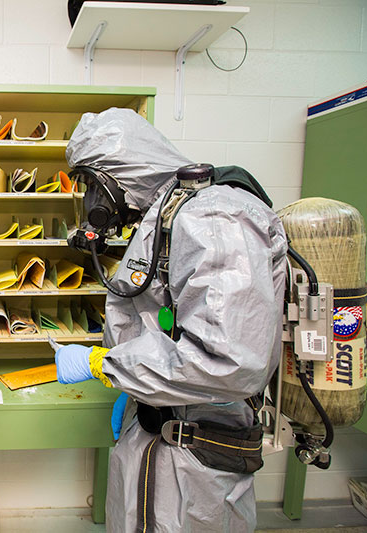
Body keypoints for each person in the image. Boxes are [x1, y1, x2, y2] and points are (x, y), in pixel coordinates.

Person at [55, 108, 287, 532]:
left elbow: (228, 362)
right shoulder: (167, 214)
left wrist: (106, 365)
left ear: (117, 172)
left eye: (89, 183)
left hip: (192, 453)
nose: (89, 200)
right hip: (159, 431)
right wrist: (135, 391)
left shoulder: (214, 217)